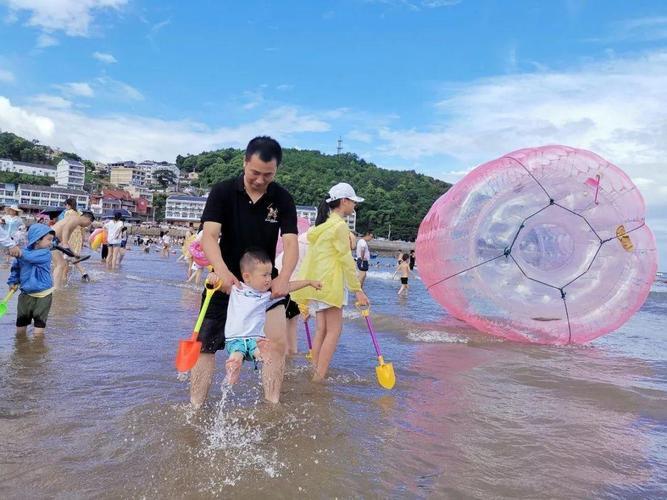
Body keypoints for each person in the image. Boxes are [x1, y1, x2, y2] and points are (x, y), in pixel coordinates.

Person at [190, 136, 299, 407]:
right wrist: (224, 273)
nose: (261, 180)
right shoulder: (223, 191)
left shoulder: (283, 198)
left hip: (265, 285)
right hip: (225, 281)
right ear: (244, 163)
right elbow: (209, 236)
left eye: (268, 175)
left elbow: (291, 242)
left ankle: (272, 405)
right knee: (206, 346)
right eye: (255, 173)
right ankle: (195, 405)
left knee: (274, 347)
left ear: (277, 170)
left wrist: (283, 278)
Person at [291, 182, 370, 382]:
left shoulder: (323, 227)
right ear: (344, 201)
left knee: (321, 330)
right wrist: (357, 290)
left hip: (318, 284)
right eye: (353, 202)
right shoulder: (340, 226)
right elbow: (345, 260)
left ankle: (315, 371)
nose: (354, 206)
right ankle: (319, 378)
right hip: (332, 284)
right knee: (334, 331)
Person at [224, 249, 321, 384]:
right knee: (237, 354)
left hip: (254, 339)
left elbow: (288, 286)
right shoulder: (237, 289)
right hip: (236, 338)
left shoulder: (265, 296)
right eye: (264, 275)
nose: (269, 279)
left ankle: (262, 357)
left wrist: (309, 282)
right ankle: (233, 368)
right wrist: (213, 277)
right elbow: (218, 281)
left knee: (259, 352)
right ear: (247, 276)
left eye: (270, 274)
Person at [7, 224, 56, 337]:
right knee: (20, 326)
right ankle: (21, 349)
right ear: (37, 239)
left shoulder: (46, 253)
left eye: (52, 240)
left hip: (43, 294)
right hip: (26, 293)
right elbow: (16, 269)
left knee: (39, 327)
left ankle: (36, 351)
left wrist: (17, 252)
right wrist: (12, 282)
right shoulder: (23, 253)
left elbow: (30, 257)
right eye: (49, 239)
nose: (51, 243)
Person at [52, 211, 95, 288]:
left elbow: (65, 238)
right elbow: (66, 229)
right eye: (88, 224)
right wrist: (65, 245)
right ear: (87, 219)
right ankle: (56, 288)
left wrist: (74, 253)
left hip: (53, 240)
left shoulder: (74, 221)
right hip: (52, 239)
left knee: (59, 264)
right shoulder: (76, 219)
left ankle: (56, 286)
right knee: (60, 264)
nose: (86, 226)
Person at [58, 198, 90, 282]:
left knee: (68, 257)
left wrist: (62, 239)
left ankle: (82, 273)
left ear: (68, 205)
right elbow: (83, 228)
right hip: (78, 236)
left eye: (65, 205)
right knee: (69, 257)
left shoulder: (68, 213)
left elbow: (66, 226)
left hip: (70, 235)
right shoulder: (79, 213)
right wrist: (83, 240)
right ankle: (64, 278)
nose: (65, 207)